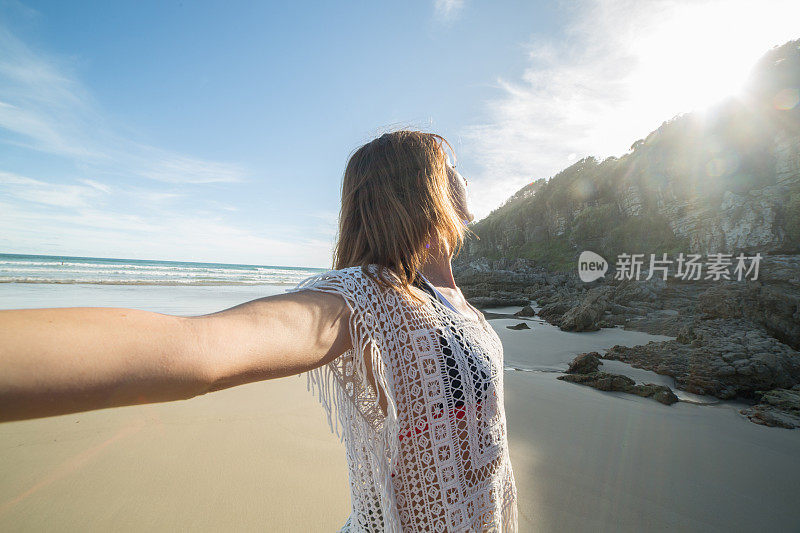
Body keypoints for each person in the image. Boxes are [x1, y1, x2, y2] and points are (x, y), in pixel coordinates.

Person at [0, 130, 518, 532]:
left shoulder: (452, 297)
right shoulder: (368, 297)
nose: (462, 178)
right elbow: (200, 348)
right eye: (448, 168)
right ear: (417, 190)